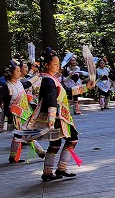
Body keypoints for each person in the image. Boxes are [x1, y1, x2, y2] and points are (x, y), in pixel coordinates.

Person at [30, 48, 95, 181]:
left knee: (56, 143)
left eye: (58, 64)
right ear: (47, 65)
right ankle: (60, 169)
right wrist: (51, 118)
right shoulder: (48, 80)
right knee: (72, 138)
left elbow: (68, 91)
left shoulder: (52, 79)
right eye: (55, 64)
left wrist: (86, 87)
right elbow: (51, 100)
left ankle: (48, 172)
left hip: (60, 116)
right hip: (58, 117)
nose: (57, 66)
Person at [0, 60, 46, 163]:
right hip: (14, 114)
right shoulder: (7, 86)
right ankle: (41, 153)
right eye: (17, 71)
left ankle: (14, 157)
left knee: (22, 134)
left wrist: (38, 74)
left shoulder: (19, 83)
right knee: (23, 134)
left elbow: (29, 83)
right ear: (11, 73)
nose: (20, 72)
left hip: (24, 112)